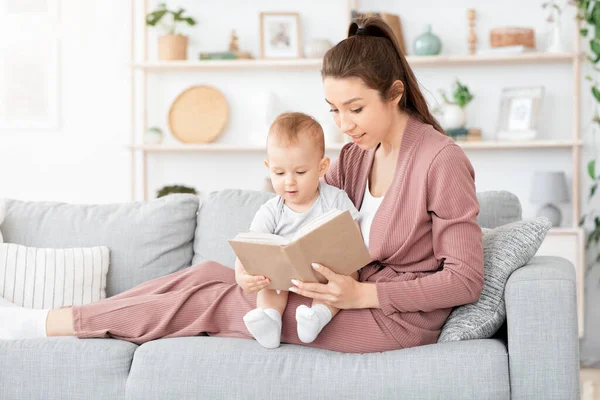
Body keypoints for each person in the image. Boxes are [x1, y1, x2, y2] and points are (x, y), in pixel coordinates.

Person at [0, 17, 484, 354]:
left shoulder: (441, 159)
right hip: (336, 297)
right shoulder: (358, 155)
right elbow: (300, 207)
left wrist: (363, 297)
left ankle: (44, 326)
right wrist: (255, 264)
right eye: (333, 110)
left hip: (389, 319)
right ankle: (61, 315)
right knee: (208, 273)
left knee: (209, 300)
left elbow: (465, 279)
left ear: (395, 93)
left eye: (355, 109)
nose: (344, 125)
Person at [238, 111, 361, 349]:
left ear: (322, 166)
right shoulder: (271, 210)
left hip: (325, 272)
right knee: (268, 281)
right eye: (279, 173)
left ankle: (318, 316)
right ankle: (269, 319)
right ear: (268, 167)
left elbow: (353, 237)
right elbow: (249, 248)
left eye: (300, 172)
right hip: (286, 278)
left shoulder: (335, 199)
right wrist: (243, 276)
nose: (289, 182)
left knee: (347, 275)